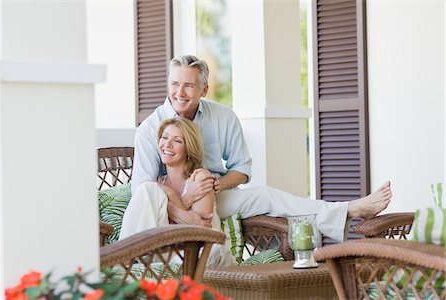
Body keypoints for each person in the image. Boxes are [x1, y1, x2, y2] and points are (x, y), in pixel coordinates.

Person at [132, 54, 392, 243]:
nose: (180, 92)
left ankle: (348, 210)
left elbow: (242, 169)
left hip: (215, 196)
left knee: (268, 196)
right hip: (169, 204)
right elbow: (144, 191)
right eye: (175, 84)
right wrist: (185, 206)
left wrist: (215, 187)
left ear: (204, 89)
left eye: (188, 85)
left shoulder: (223, 116)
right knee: (165, 202)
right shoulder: (149, 129)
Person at [120, 117, 237, 268]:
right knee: (147, 188)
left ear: (189, 149)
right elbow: (187, 221)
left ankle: (122, 263)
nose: (167, 144)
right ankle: (126, 263)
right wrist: (174, 195)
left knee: (147, 189)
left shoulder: (199, 178)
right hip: (165, 256)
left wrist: (172, 200)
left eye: (177, 141)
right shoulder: (158, 186)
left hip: (202, 253)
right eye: (164, 137)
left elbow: (199, 232)